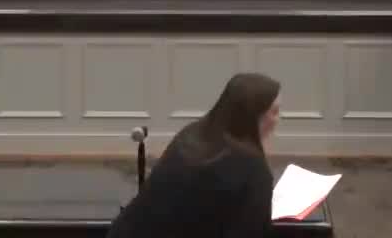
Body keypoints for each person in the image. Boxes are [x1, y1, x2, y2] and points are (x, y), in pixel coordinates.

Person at [107, 73, 281, 238]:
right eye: (274, 112)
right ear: (252, 116)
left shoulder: (191, 134)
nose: (277, 119)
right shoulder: (253, 169)